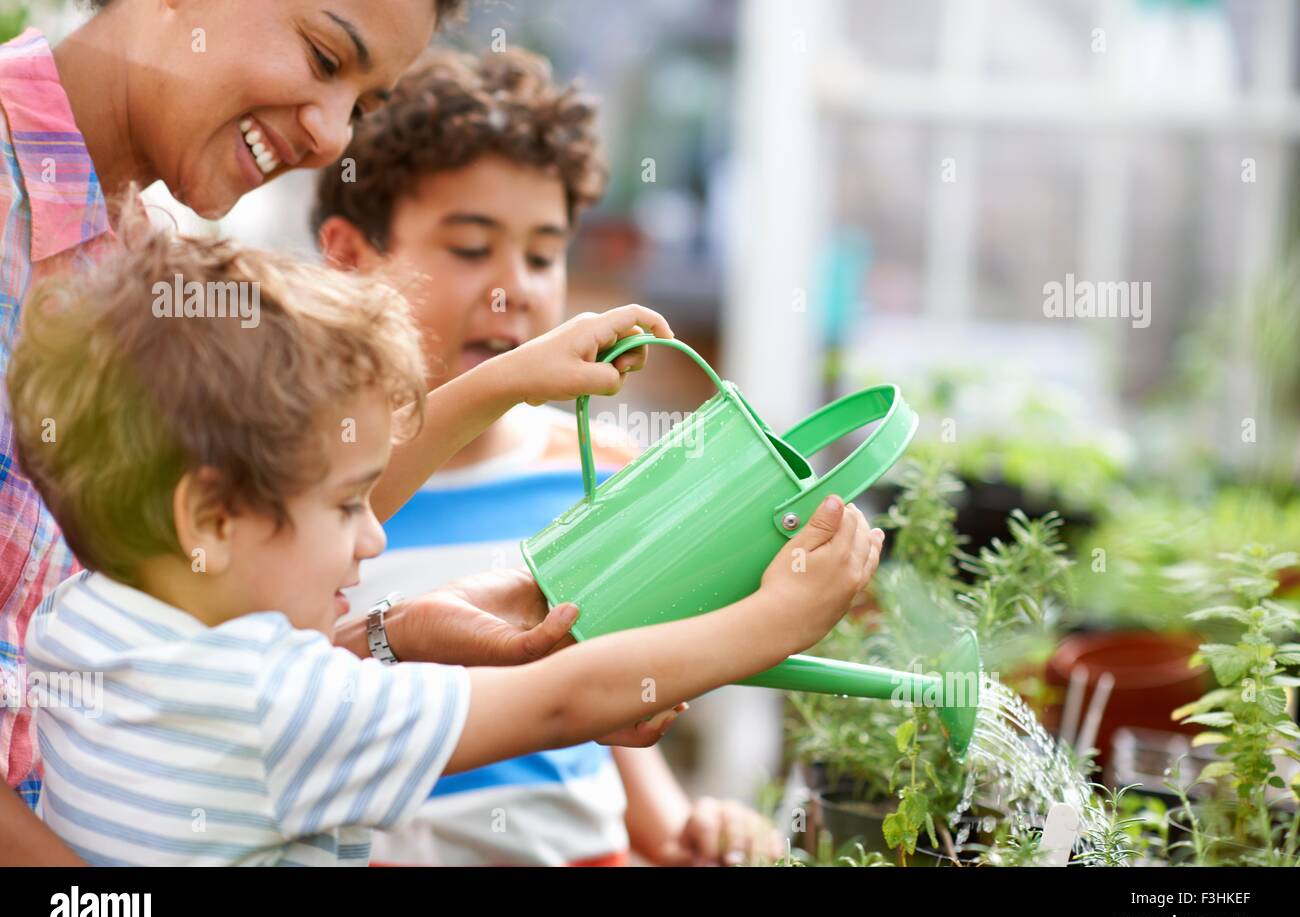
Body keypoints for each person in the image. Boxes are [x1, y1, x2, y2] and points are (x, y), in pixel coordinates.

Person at [9, 219, 884, 864]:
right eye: (349, 503)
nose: (375, 533)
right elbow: (559, 700)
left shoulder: (81, 616)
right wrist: (774, 622)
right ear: (207, 518)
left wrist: (398, 633)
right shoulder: (281, 706)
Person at [315, 49, 790, 866]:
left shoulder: (600, 473)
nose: (514, 290)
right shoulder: (311, 493)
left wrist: (686, 832)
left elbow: (604, 728)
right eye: (469, 248)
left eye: (541, 254)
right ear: (350, 254)